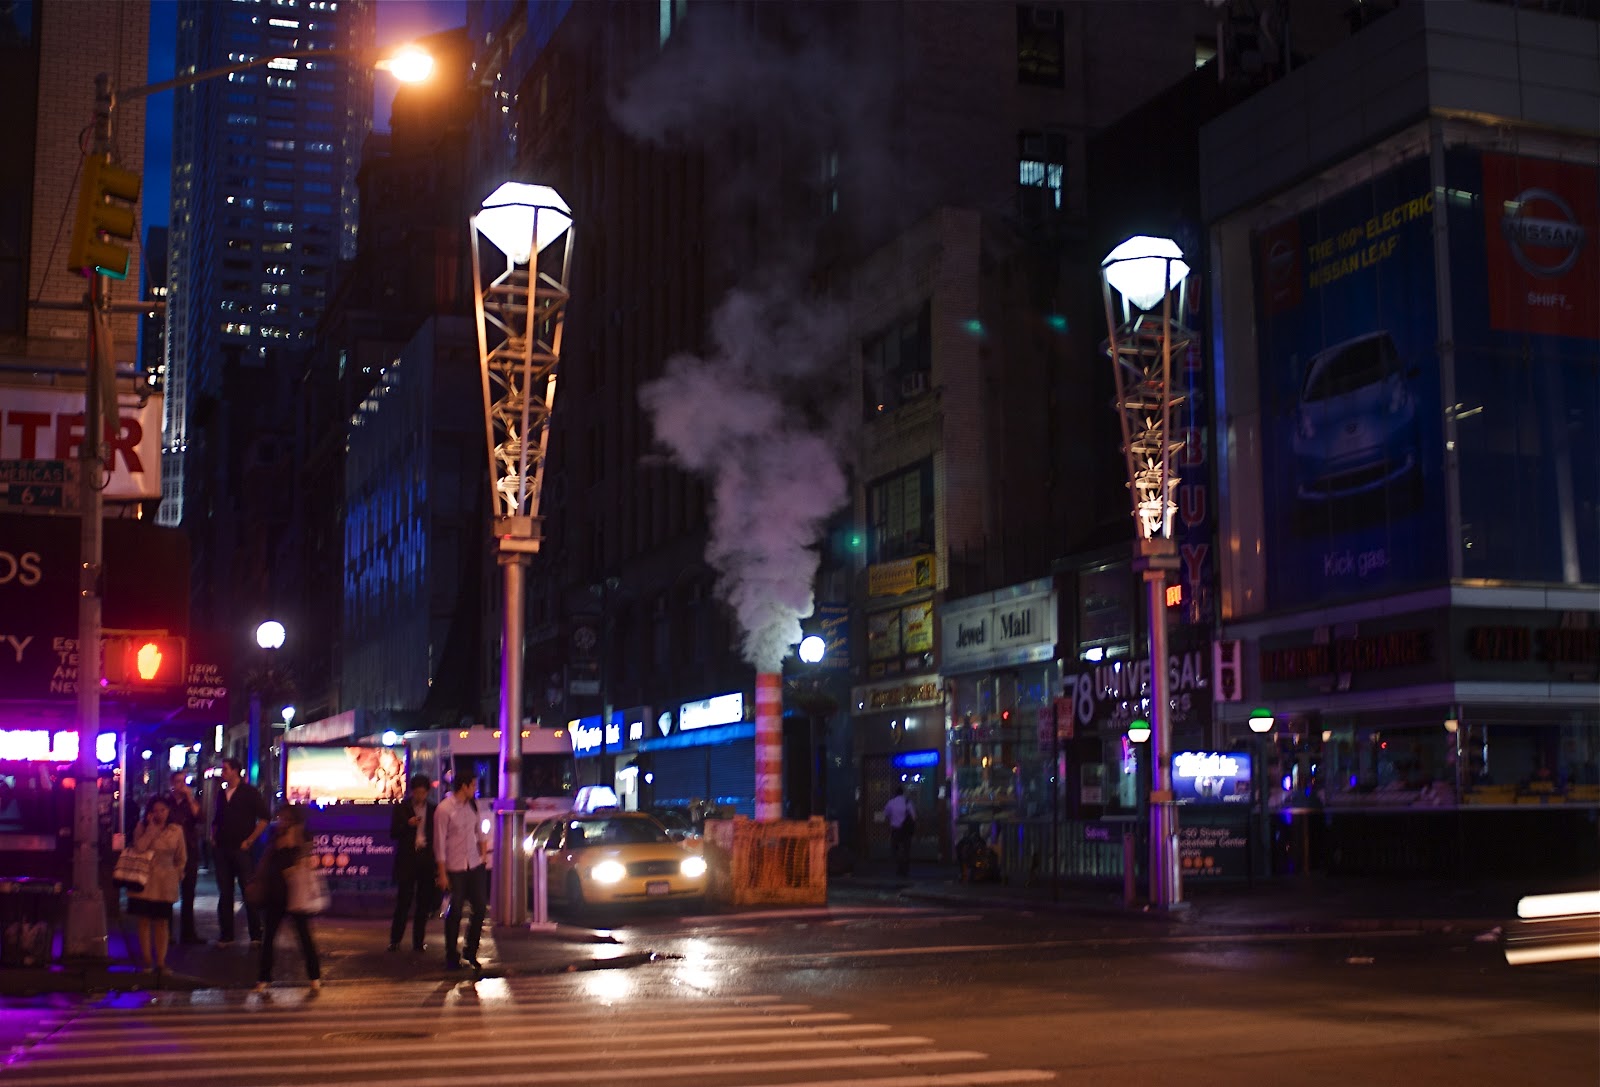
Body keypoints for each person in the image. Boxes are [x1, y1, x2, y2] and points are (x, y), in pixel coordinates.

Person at [253, 804, 322, 993]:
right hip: (276, 893)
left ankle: (314, 976)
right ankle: (263, 978)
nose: (283, 822)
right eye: (281, 818)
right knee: (269, 938)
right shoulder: (275, 835)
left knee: (304, 937)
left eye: (287, 819)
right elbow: (267, 860)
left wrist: (296, 859)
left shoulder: (303, 836)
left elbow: (307, 859)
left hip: (296, 894)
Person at [212, 757, 270, 946]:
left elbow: (264, 818)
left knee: (248, 890)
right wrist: (214, 836)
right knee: (225, 892)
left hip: (241, 848)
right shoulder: (221, 794)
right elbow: (217, 818)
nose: (223, 773)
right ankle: (226, 934)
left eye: (226, 769)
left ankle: (255, 933)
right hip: (222, 848)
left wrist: (250, 840)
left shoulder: (249, 793)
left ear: (236, 771)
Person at [126, 795, 186, 979]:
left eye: (163, 810)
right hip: (143, 880)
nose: (160, 814)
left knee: (162, 922)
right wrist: (150, 829)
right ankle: (146, 960)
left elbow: (181, 857)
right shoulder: (141, 828)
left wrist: (177, 874)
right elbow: (139, 848)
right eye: (156, 810)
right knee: (144, 921)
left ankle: (160, 961)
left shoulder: (176, 830)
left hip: (165, 881)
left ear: (169, 811)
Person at [434, 771, 489, 972]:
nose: (475, 789)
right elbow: (439, 843)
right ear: (463, 786)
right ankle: (451, 955)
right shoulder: (444, 809)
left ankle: (470, 950)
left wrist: (483, 855)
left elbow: (480, 831)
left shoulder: (473, 805)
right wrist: (442, 873)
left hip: (473, 865)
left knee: (480, 907)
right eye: (473, 785)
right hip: (454, 867)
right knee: (454, 911)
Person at [388, 773, 437, 952]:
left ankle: (418, 942)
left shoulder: (433, 809)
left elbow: (436, 835)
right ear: (412, 792)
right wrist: (407, 824)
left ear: (427, 792)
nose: (419, 796)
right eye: (417, 792)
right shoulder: (402, 808)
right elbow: (393, 832)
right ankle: (395, 940)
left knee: (423, 903)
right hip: (407, 859)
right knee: (403, 901)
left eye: (423, 793)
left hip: (426, 859)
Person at [163, 770, 203, 944]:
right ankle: (167, 932)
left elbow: (199, 817)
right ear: (172, 784)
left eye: (183, 781)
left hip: (189, 850)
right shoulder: (167, 803)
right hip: (170, 852)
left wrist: (190, 797)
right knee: (168, 893)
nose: (181, 785)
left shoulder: (190, 802)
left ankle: (188, 933)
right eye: (177, 782)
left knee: (189, 893)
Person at [883, 784, 916, 877]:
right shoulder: (907, 802)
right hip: (905, 829)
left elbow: (886, 814)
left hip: (895, 829)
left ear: (895, 793)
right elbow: (913, 817)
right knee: (906, 849)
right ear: (903, 793)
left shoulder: (891, 802)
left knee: (896, 849)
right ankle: (905, 868)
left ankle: (899, 867)